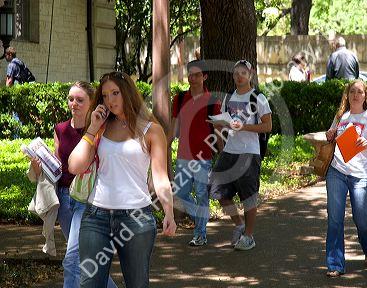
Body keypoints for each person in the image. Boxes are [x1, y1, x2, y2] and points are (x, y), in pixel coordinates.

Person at [68, 71, 176, 287]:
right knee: (89, 283)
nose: (110, 100)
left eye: (115, 93)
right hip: (96, 215)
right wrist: (91, 128)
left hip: (136, 218)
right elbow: (74, 166)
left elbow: (160, 176)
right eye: (105, 95)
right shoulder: (101, 126)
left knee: (137, 283)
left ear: (127, 93)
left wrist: (169, 212)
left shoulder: (151, 130)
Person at [29, 82, 118, 288]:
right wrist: (39, 164)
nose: (74, 104)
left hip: (88, 199)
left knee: (72, 260)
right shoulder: (60, 129)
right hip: (64, 199)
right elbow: (59, 167)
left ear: (90, 103)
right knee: (84, 259)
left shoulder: (97, 129)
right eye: (71, 99)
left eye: (80, 100)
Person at [209, 60, 272, 251]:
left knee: (249, 197)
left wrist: (244, 126)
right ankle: (239, 223)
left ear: (250, 75)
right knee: (217, 190)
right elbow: (220, 124)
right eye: (236, 73)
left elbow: (268, 126)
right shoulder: (228, 98)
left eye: (243, 72)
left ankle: (249, 236)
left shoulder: (258, 98)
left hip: (249, 154)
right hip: (229, 152)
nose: (239, 76)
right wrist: (221, 147)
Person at [324, 80, 367, 277]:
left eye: (360, 92)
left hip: (362, 175)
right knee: (334, 218)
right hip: (337, 171)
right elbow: (331, 138)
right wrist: (330, 134)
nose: (356, 95)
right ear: (347, 96)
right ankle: (335, 264)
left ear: (366, 97)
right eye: (352, 92)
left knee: (361, 216)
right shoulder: (341, 117)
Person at [170, 60, 222, 246]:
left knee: (201, 194)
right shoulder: (180, 98)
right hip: (183, 155)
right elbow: (174, 125)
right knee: (180, 193)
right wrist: (166, 144)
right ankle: (201, 216)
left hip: (203, 157)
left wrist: (222, 154)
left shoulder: (212, 101)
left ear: (205, 76)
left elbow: (217, 129)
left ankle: (200, 233)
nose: (192, 78)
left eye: (197, 74)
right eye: (190, 74)